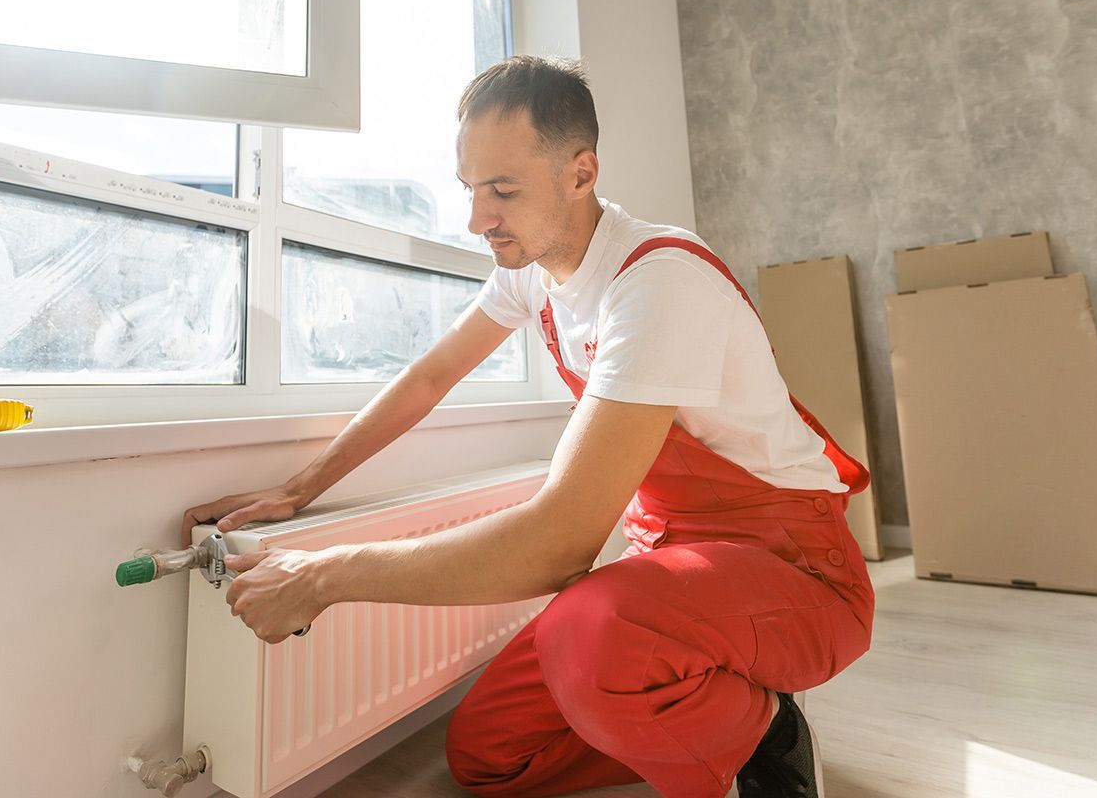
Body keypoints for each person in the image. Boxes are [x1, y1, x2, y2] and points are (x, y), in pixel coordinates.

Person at [180, 55, 874, 798]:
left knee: (592, 634)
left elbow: (561, 542)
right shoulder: (527, 271)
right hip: (678, 562)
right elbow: (431, 377)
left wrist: (322, 576)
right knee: (489, 754)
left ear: (581, 173)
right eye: (471, 189)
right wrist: (298, 487)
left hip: (797, 571)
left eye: (503, 190)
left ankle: (768, 735)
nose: (478, 218)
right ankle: (724, 705)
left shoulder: (659, 281)